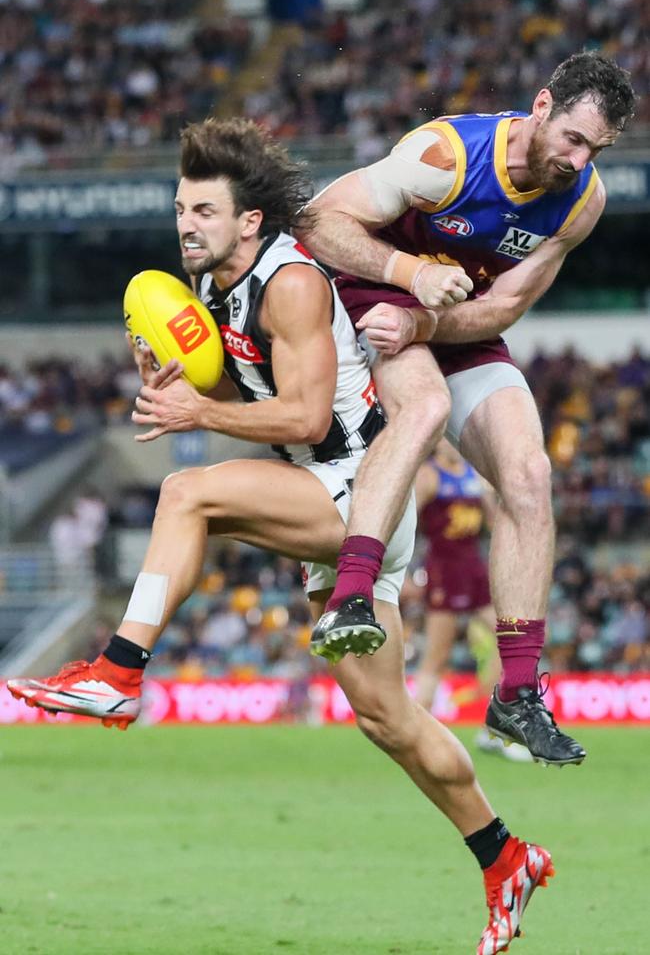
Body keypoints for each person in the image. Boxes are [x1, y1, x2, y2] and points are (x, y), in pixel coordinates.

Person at [9, 117, 553, 954]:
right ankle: (504, 855)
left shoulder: (289, 283)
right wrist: (183, 374)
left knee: (188, 492)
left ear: (249, 222)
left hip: (354, 488)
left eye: (202, 210)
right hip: (322, 490)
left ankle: (117, 673)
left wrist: (202, 410)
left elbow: (302, 414)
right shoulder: (221, 289)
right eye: (180, 208)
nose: (185, 223)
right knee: (388, 718)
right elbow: (248, 380)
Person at [302, 51, 636, 765]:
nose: (579, 161)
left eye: (596, 150)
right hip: (378, 286)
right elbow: (318, 221)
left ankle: (517, 693)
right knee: (421, 408)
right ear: (541, 106)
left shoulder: (582, 201)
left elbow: (505, 305)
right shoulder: (444, 155)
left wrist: (428, 319)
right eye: (573, 140)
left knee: (528, 473)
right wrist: (410, 275)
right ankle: (351, 598)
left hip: (453, 319)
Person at [414, 439, 531, 763]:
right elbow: (407, 519)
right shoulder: (429, 475)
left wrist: (488, 495)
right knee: (436, 657)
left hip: (473, 567)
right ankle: (412, 736)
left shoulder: (471, 475)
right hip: (444, 569)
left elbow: (492, 523)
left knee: (508, 640)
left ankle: (493, 730)